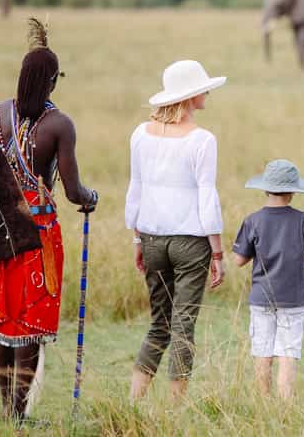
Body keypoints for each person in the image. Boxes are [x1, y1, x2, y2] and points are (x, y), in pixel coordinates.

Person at [0, 19, 97, 422]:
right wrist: (92, 199)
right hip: (38, 232)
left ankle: (7, 409)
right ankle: (19, 413)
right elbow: (72, 191)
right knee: (32, 320)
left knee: (4, 317)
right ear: (50, 82)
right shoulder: (59, 125)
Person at [125, 60, 227, 400]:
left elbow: (135, 189)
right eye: (203, 89)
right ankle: (176, 407)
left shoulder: (141, 133)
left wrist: (137, 238)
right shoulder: (202, 140)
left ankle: (134, 401)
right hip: (191, 242)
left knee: (159, 323)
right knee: (184, 325)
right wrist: (218, 251)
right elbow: (206, 197)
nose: (208, 93)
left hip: (152, 239)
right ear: (190, 96)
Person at [232, 159, 304, 399]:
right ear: (294, 191)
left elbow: (239, 260)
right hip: (294, 298)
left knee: (262, 352)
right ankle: (285, 406)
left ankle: (263, 403)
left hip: (261, 297)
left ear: (265, 188)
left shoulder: (252, 220)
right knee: (287, 353)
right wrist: (299, 254)